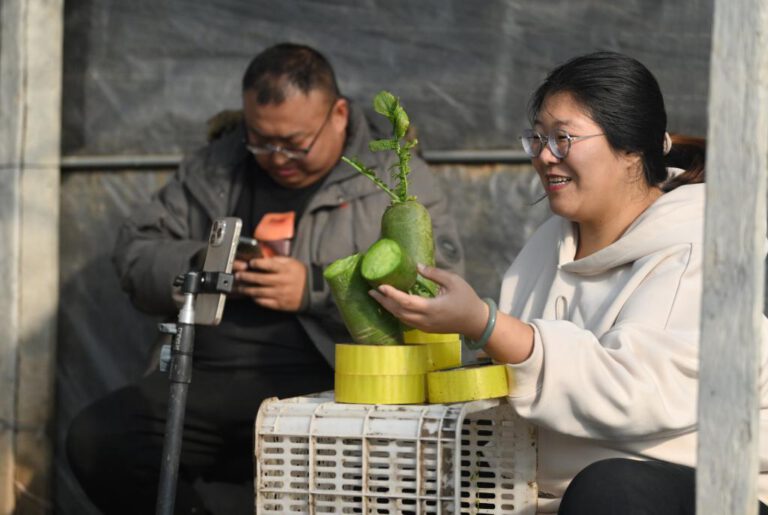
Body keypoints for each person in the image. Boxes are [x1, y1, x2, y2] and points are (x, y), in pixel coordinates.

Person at [66, 42, 464, 515]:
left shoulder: (395, 181)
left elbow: (440, 290)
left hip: (330, 384)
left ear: (338, 114)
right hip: (205, 379)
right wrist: (204, 262)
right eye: (261, 141)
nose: (276, 157)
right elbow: (135, 255)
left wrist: (315, 288)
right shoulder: (216, 168)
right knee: (98, 440)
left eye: (295, 143)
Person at [370, 51, 768, 515]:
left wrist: (488, 323)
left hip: (703, 494)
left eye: (563, 139)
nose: (543, 156)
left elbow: (634, 394)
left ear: (631, 149)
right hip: (551, 497)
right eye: (537, 138)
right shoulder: (545, 248)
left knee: (612, 489)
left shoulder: (705, 246)